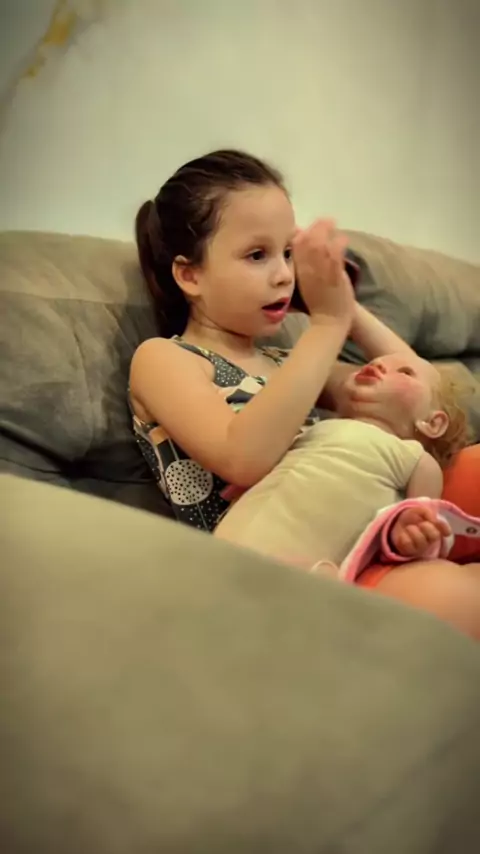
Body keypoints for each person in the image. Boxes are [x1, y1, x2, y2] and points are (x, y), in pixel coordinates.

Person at [130, 149, 480, 638]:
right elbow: (242, 457)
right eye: (257, 255)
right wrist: (328, 323)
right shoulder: (164, 359)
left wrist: (344, 304)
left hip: (367, 535)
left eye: (288, 254)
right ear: (190, 275)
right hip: (270, 570)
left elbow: (422, 386)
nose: (283, 274)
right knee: (462, 599)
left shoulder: (284, 360)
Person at [215, 350, 471, 570]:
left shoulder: (415, 458)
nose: (377, 365)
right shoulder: (315, 427)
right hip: (231, 538)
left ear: (432, 423)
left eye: (405, 372)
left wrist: (409, 536)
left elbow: (425, 526)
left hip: (304, 565)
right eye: (373, 362)